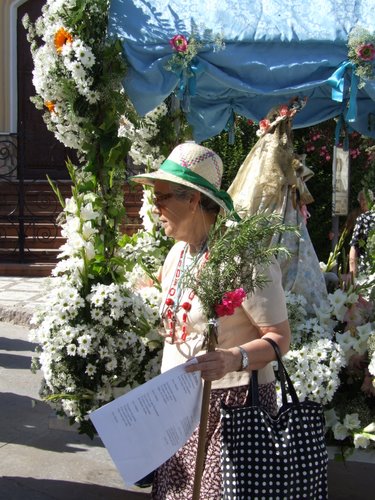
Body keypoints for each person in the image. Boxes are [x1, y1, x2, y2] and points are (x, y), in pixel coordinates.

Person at [131, 142, 291, 499]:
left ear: (192, 200)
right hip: (178, 409)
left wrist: (235, 358)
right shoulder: (177, 254)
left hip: (231, 412)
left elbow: (279, 337)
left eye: (162, 198)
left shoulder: (244, 256)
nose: (154, 207)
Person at [349, 199, 375, 278]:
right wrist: (353, 279)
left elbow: (354, 248)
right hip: (368, 276)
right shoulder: (365, 219)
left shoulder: (365, 218)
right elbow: (354, 247)